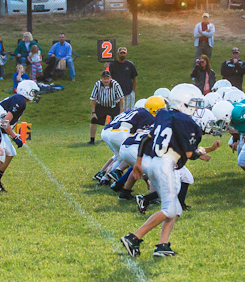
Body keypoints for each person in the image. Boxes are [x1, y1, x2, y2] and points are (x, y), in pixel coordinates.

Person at [120, 85, 219, 259]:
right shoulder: (188, 123)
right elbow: (189, 153)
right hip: (167, 165)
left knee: (176, 209)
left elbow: (146, 138)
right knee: (169, 210)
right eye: (193, 104)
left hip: (153, 162)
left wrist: (138, 162)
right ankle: (133, 237)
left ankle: (162, 245)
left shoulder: (162, 114)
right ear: (183, 103)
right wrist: (203, 152)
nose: (195, 108)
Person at [89, 69, 126, 144]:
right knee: (93, 121)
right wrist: (93, 112)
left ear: (110, 78)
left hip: (113, 105)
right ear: (101, 78)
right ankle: (92, 140)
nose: (106, 80)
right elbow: (92, 99)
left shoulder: (115, 85)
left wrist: (121, 110)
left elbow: (121, 98)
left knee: (118, 122)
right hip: (101, 105)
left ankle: (117, 139)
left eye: (107, 78)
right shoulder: (97, 85)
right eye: (104, 79)